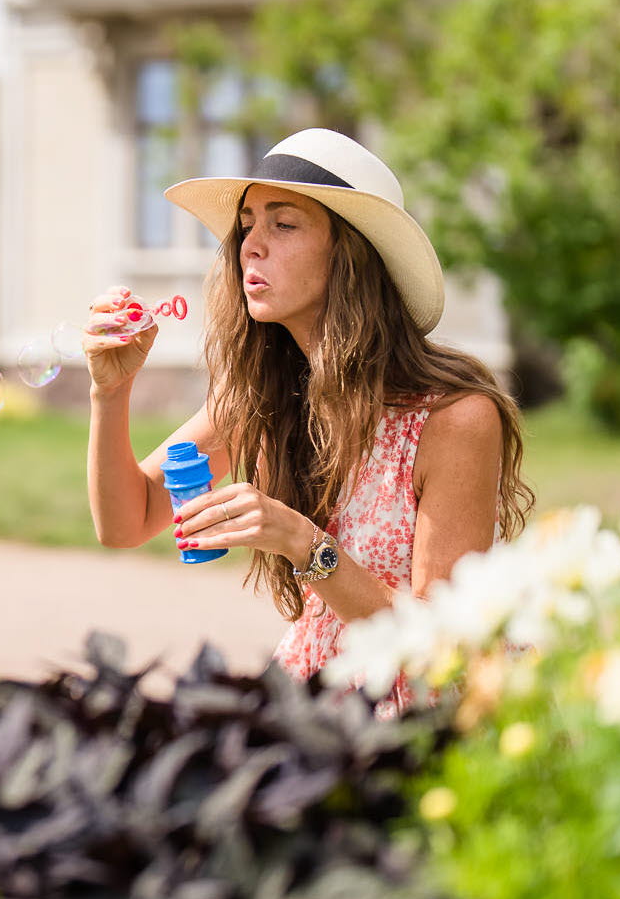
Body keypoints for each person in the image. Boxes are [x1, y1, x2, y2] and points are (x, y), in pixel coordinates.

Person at [85, 128, 531, 693]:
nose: (250, 245)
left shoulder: (453, 418)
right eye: (248, 224)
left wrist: (303, 542)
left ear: (350, 255)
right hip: (327, 699)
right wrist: (111, 391)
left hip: (427, 716)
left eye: (284, 223)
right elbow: (127, 521)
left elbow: (441, 651)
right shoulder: (262, 396)